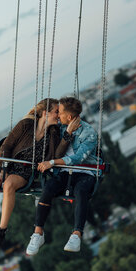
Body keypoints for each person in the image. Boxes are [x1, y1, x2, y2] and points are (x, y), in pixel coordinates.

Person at [0, 98, 61, 251]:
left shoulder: (53, 133)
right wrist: (3, 169)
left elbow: (53, 155)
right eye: (56, 112)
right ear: (45, 113)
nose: (58, 115)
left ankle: (1, 230)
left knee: (8, 186)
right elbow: (6, 145)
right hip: (5, 163)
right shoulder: (26, 125)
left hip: (24, 170)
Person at [26, 96, 100, 255]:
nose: (57, 115)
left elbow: (78, 158)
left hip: (85, 171)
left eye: (59, 112)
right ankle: (38, 233)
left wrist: (52, 163)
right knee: (48, 189)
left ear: (70, 117)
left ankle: (77, 234)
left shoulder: (89, 133)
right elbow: (55, 150)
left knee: (81, 191)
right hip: (65, 172)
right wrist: (66, 133)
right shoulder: (59, 129)